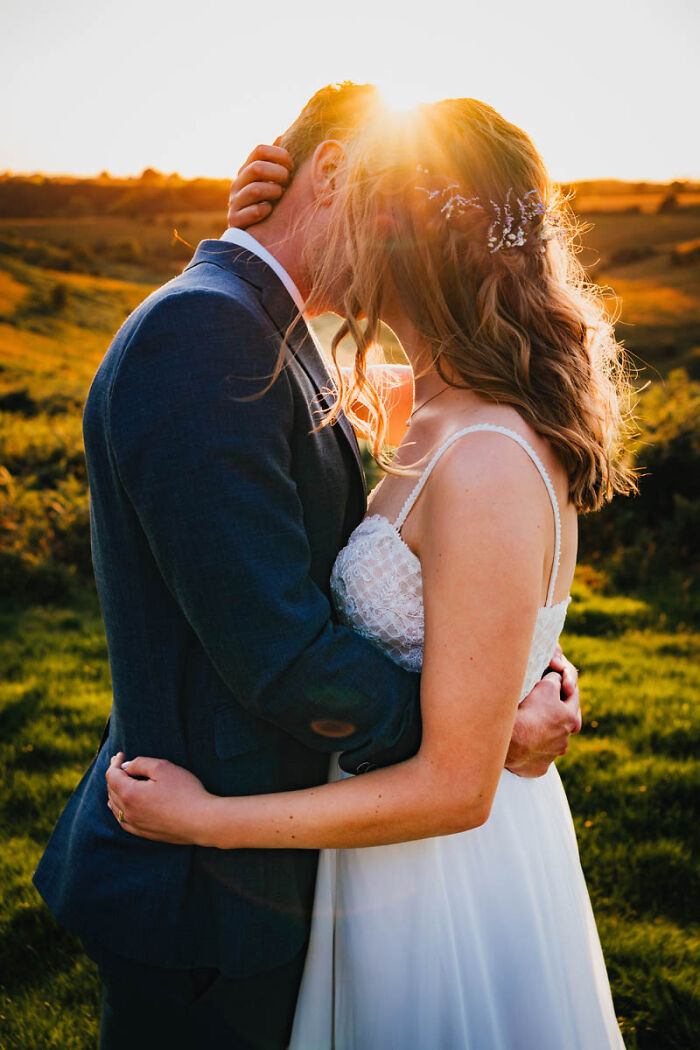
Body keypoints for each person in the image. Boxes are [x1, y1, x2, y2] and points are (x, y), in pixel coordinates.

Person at [32, 83, 580, 1050]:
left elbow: (458, 566)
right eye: (382, 202)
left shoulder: (268, 331)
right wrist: (486, 728)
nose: (385, 240)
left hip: (313, 865)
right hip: (211, 894)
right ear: (332, 174)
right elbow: (282, 653)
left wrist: (504, 679)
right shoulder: (208, 330)